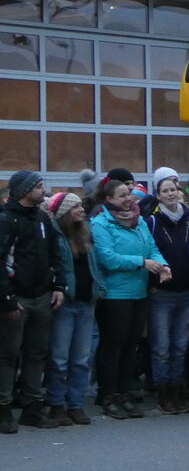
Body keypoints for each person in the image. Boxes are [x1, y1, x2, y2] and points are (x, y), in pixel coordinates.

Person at [91, 176, 170, 419]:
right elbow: (108, 258)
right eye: (123, 195)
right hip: (114, 295)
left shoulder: (139, 220)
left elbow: (152, 248)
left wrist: (162, 265)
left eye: (129, 193)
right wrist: (141, 262)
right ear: (109, 199)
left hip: (139, 292)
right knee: (113, 347)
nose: (129, 199)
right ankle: (108, 396)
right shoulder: (101, 223)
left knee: (130, 346)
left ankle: (124, 394)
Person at [0, 171, 68, 432]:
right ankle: (4, 408)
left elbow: (55, 255)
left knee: (37, 354)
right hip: (16, 299)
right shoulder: (6, 220)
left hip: (42, 297)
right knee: (8, 355)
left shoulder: (42, 218)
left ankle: (32, 407)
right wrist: (7, 299)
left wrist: (58, 286)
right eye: (38, 186)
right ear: (24, 190)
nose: (43, 190)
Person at [43, 192, 99, 426]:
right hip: (65, 302)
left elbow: (94, 265)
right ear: (64, 212)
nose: (81, 210)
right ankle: (56, 404)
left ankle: (76, 404)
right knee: (59, 358)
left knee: (81, 359)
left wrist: (99, 287)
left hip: (86, 301)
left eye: (80, 205)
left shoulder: (85, 234)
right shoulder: (54, 236)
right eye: (75, 207)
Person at [144, 173, 189, 415]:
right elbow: (147, 251)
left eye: (173, 190)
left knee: (180, 346)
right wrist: (152, 284)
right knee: (161, 347)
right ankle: (163, 392)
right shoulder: (152, 222)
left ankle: (177, 389)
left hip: (186, 291)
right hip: (162, 293)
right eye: (165, 191)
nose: (170, 194)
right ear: (158, 196)